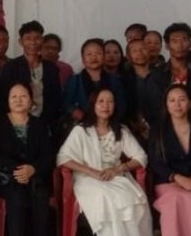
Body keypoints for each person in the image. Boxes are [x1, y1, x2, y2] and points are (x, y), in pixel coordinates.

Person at [57, 88, 151, 236]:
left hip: (116, 176)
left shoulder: (121, 130)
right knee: (104, 197)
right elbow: (63, 158)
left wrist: (118, 169)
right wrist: (91, 171)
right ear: (93, 105)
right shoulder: (81, 130)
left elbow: (141, 156)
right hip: (88, 178)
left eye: (110, 102)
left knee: (129, 198)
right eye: (101, 101)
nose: (105, 105)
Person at [149, 85, 191, 236]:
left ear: (190, 103)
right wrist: (176, 178)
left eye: (182, 100)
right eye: (172, 100)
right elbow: (155, 161)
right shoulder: (158, 130)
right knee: (174, 201)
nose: (177, 105)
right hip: (169, 182)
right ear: (166, 105)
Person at [0, 83, 53, 236]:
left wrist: (33, 169)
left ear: (31, 101)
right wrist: (18, 171)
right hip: (8, 177)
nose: (18, 100)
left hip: (34, 177)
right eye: (14, 96)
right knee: (16, 195)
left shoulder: (39, 125)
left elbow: (48, 155)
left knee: (40, 195)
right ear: (8, 101)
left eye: (23, 96)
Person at [0, 21, 62, 135]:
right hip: (18, 123)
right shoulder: (11, 67)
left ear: (42, 40)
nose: (33, 42)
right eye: (28, 38)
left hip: (46, 123)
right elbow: (3, 98)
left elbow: (56, 98)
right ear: (20, 41)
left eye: (37, 38)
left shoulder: (51, 68)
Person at [63, 39, 126, 123]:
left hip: (111, 124)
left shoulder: (115, 80)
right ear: (83, 59)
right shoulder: (75, 80)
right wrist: (74, 111)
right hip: (82, 125)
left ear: (104, 57)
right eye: (89, 54)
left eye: (98, 53)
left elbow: (122, 105)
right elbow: (66, 104)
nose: (94, 57)